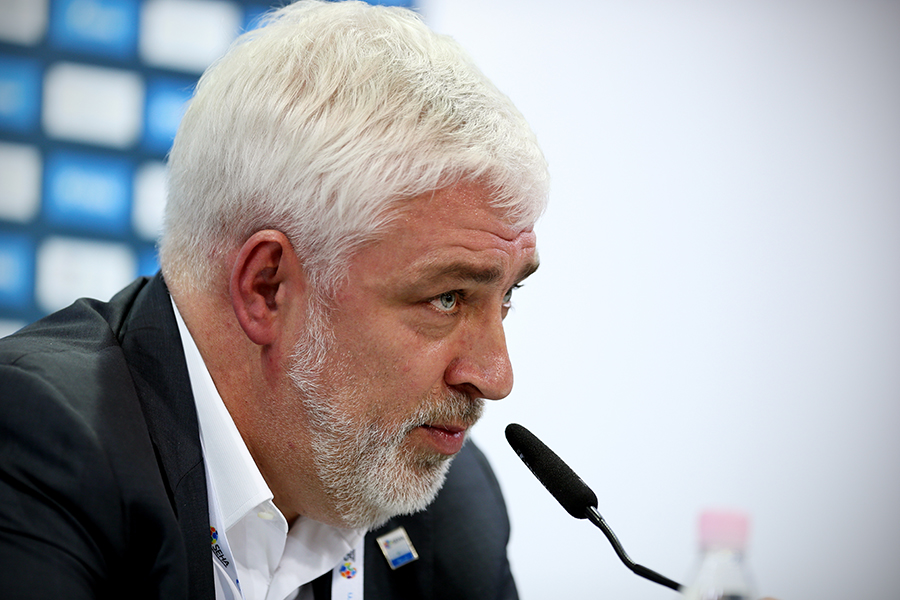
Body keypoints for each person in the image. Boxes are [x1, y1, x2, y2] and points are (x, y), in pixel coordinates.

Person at [0, 1, 548, 599]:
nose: (496, 377)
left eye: (508, 295)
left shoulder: (448, 506)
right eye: (447, 298)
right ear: (266, 289)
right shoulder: (39, 445)